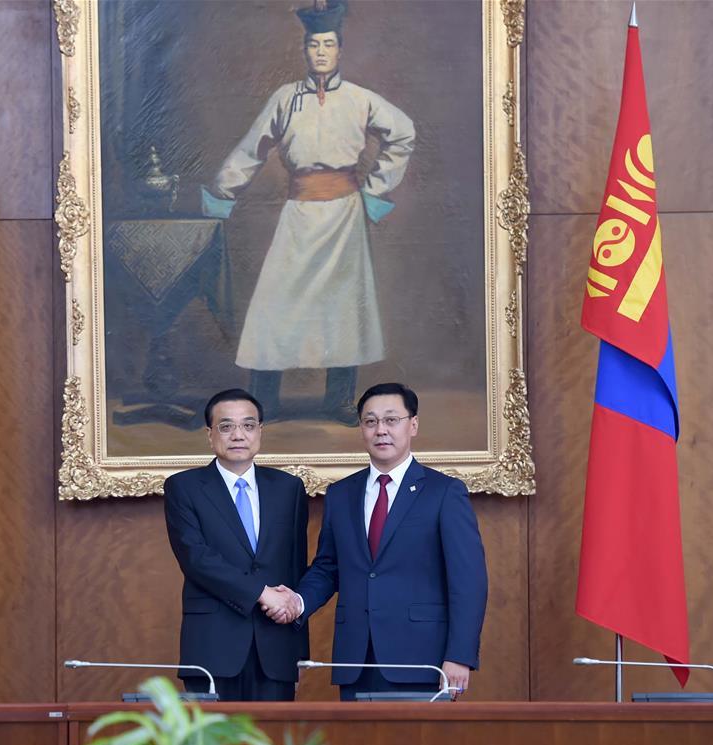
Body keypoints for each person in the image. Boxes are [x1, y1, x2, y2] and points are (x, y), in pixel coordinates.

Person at [202, 0, 415, 425]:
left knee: (342, 308)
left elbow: (403, 133)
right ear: (304, 51)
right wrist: (222, 193)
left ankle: (337, 401)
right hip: (299, 216)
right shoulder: (285, 100)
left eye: (329, 44)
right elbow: (253, 148)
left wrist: (374, 190)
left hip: (345, 217)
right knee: (276, 304)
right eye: (314, 45)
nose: (321, 52)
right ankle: (265, 401)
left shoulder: (359, 100)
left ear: (339, 51)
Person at [260, 383, 488, 700]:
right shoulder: (341, 495)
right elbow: (328, 568)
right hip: (357, 659)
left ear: (414, 425)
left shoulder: (444, 492)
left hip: (423, 661)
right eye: (371, 421)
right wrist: (298, 602)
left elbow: (469, 582)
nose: (381, 430)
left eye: (391, 420)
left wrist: (460, 656)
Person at [164, 388, 309, 700]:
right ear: (209, 435)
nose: (238, 435)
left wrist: (298, 652)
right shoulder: (184, 488)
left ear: (260, 432)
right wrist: (260, 592)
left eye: (248, 425)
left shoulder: (289, 489)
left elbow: (295, 570)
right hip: (213, 647)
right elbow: (196, 559)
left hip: (276, 648)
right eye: (226, 426)